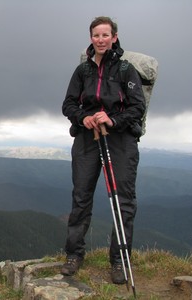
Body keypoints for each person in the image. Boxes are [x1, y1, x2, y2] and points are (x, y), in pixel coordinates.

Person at [61, 16, 145, 284]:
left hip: (120, 140)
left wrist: (112, 120)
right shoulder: (82, 71)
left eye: (105, 35)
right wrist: (81, 118)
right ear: (91, 38)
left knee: (123, 201)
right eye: (96, 35)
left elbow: (137, 108)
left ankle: (119, 261)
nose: (100, 40)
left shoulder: (125, 70)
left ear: (114, 37)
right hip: (87, 138)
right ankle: (74, 255)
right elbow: (68, 104)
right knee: (81, 197)